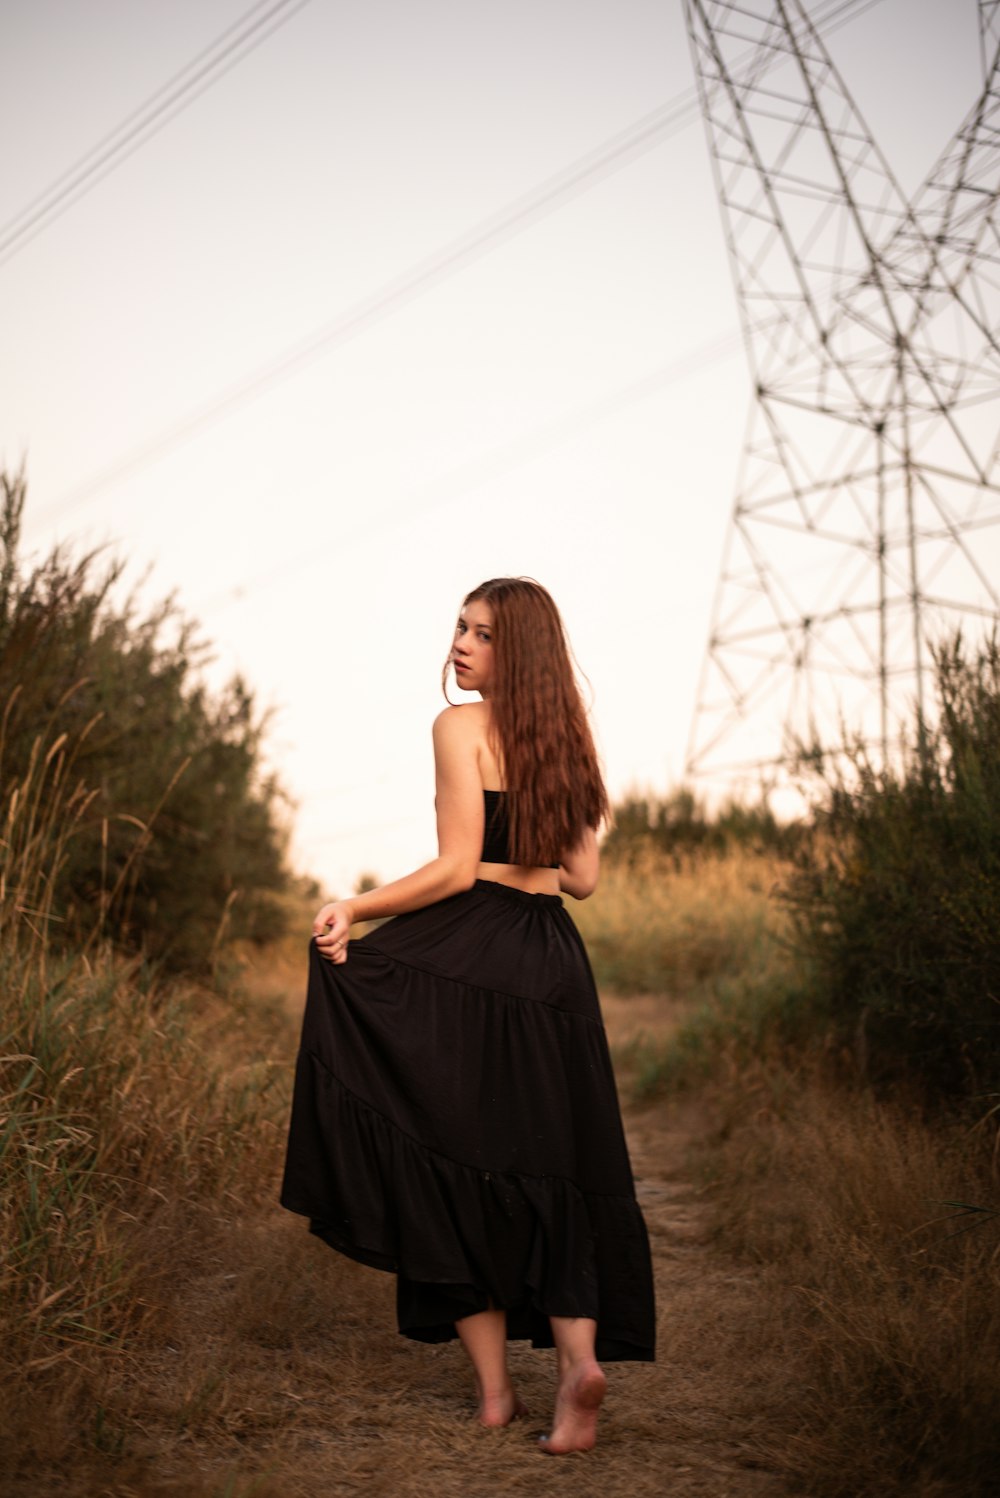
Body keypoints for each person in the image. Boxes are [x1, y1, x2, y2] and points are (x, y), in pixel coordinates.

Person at [280, 577, 655, 1454]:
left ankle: (494, 1396)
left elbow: (452, 869)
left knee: (445, 1160)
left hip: (471, 952)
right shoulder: (567, 737)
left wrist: (354, 907)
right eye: (460, 627)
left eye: (481, 634)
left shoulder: (458, 727)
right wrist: (526, 854)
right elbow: (584, 880)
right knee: (555, 1166)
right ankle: (576, 1367)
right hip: (554, 962)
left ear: (513, 650)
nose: (460, 644)